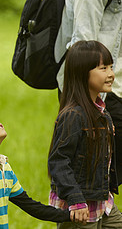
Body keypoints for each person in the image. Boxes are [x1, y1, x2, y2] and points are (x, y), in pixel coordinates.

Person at [54, 0, 122, 185]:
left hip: (112, 93)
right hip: (96, 99)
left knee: (103, 188)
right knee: (88, 188)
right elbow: (82, 48)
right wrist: (90, 113)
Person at [48, 41, 122, 228]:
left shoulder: (102, 113)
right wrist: (75, 199)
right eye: (103, 68)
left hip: (102, 203)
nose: (111, 74)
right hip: (79, 208)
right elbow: (58, 162)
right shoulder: (73, 115)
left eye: (111, 67)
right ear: (82, 73)